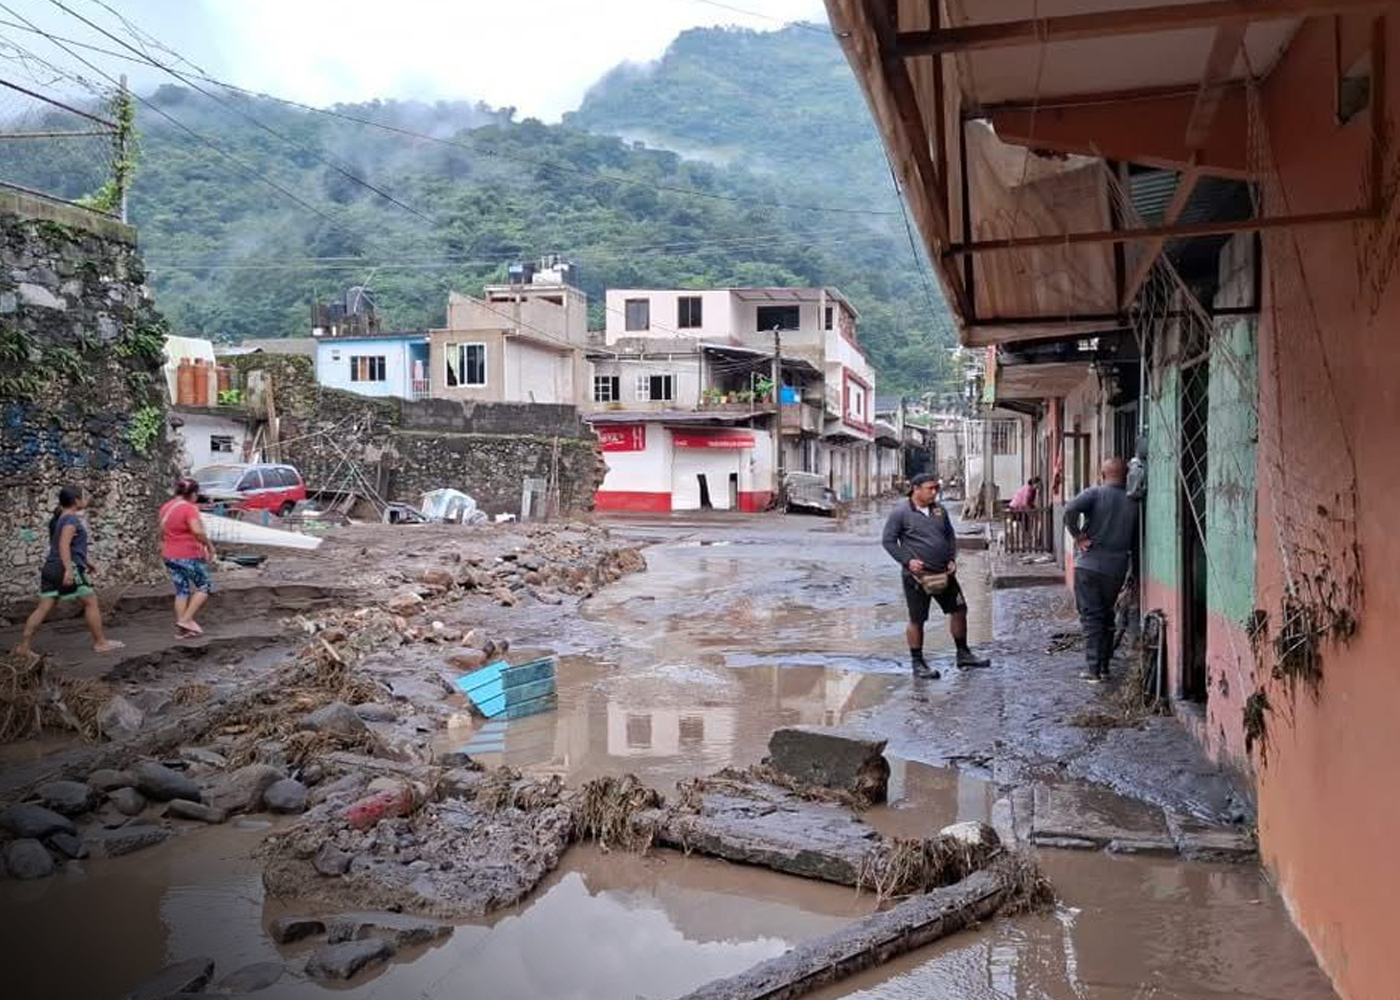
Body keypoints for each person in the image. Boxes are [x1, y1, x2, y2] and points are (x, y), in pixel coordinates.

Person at [882, 474, 991, 678]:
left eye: (936, 489)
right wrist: (907, 561)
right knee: (917, 619)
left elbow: (949, 536)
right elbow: (888, 541)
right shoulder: (901, 513)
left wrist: (951, 558)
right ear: (915, 488)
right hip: (917, 577)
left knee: (959, 610)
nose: (934, 492)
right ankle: (918, 662)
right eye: (929, 488)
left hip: (944, 572)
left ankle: (963, 653)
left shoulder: (939, 510)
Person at [15, 485, 124, 656]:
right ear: (76, 501)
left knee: (43, 608)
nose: (85, 499)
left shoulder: (60, 519)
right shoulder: (71, 520)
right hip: (66, 567)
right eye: (83, 496)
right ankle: (101, 643)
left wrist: (87, 562)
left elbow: (69, 545)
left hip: (51, 567)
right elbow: (64, 545)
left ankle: (24, 646)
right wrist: (68, 570)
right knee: (91, 601)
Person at [1064, 457, 1139, 682]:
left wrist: (1077, 536)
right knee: (1106, 615)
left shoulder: (1095, 493)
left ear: (1103, 474)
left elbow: (1070, 509)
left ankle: (1093, 670)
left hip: (1088, 566)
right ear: (1126, 476)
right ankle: (1104, 666)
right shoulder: (1133, 500)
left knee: (1091, 617)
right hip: (1116, 570)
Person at [160, 478, 218, 636]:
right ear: (192, 494)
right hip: (187, 554)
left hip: (169, 554)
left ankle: (183, 631)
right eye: (196, 494)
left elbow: (163, 531)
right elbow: (197, 531)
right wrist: (209, 545)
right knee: (204, 586)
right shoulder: (189, 508)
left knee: (181, 591)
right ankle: (186, 619)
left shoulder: (166, 507)